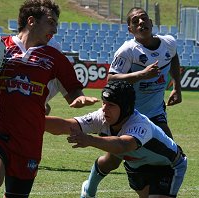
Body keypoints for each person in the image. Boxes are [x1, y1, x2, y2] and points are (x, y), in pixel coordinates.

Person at [0, 1, 97, 197]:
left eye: (56, 24)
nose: (55, 29)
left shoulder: (55, 57)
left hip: (29, 137)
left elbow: (73, 91)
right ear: (31, 21)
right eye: (51, 22)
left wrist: (79, 99)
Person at [75, 7, 183, 197]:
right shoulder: (127, 51)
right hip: (130, 116)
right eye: (135, 21)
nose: (141, 22)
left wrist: (177, 87)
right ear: (130, 29)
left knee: (168, 154)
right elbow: (111, 79)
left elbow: (173, 57)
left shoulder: (169, 43)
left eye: (144, 19)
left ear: (151, 22)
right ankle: (89, 188)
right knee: (112, 160)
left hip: (156, 112)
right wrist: (142, 74)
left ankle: (156, 190)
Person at [45, 80, 187, 198]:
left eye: (111, 105)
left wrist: (90, 140)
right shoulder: (102, 116)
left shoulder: (140, 124)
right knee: (111, 160)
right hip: (136, 164)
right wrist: (34, 121)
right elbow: (65, 125)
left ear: (126, 108)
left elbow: (123, 145)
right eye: (104, 102)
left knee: (113, 157)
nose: (105, 109)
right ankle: (88, 189)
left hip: (167, 166)